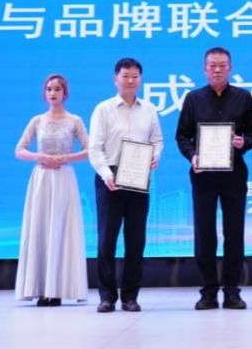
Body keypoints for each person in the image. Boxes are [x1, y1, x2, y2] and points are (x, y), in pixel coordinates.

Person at [175, 46, 252, 310]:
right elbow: (182, 135)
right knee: (204, 234)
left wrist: (243, 142)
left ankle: (232, 290)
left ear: (230, 68)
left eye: (222, 65)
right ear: (205, 69)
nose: (217, 70)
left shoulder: (243, 97)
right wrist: (193, 156)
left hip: (234, 174)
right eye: (212, 65)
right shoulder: (193, 98)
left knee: (234, 233)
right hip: (203, 176)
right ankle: (208, 291)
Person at [88, 57, 164, 313]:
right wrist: (105, 174)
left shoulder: (149, 109)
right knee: (106, 240)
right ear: (115, 79)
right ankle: (107, 296)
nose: (130, 81)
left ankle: (130, 296)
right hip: (110, 177)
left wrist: (155, 155)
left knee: (136, 239)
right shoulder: (103, 109)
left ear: (140, 79)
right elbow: (94, 148)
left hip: (138, 177)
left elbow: (157, 140)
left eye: (135, 76)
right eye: (125, 76)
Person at [14, 73, 90, 306]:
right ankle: (40, 288)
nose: (53, 93)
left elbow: (90, 150)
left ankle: (57, 290)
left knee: (61, 229)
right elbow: (19, 150)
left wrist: (65, 158)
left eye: (57, 89)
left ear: (65, 93)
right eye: (49, 89)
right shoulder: (37, 121)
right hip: (42, 179)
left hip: (64, 177)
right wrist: (39, 157)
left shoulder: (74, 121)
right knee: (41, 229)